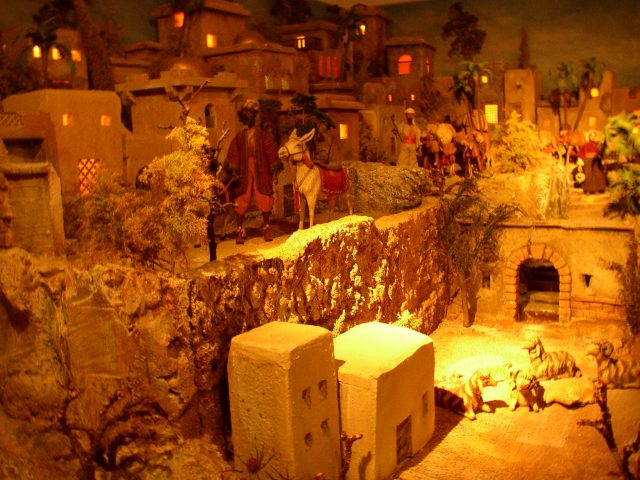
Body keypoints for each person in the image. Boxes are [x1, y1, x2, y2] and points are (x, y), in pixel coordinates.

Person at [225, 99, 282, 244]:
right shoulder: (240, 136)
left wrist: (274, 170)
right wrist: (234, 169)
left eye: (250, 112)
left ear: (255, 115)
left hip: (261, 170)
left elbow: (271, 151)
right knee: (241, 199)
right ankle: (239, 229)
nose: (248, 115)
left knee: (263, 197)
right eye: (246, 112)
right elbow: (234, 153)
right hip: (244, 171)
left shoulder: (263, 136)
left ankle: (267, 228)